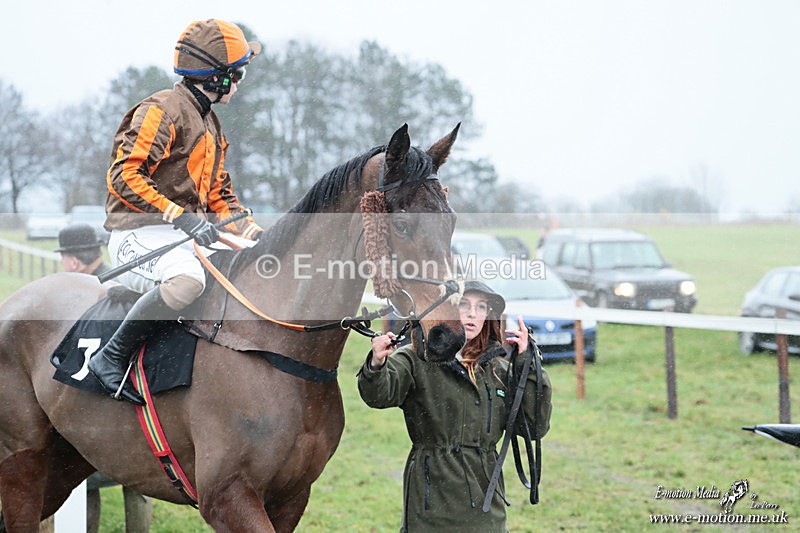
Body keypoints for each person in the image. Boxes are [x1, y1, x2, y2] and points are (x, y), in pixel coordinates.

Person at [88, 19, 264, 405]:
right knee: (188, 282)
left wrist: (258, 237)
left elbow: (221, 199)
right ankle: (111, 357)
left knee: (249, 269)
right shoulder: (160, 110)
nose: (240, 82)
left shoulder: (211, 125)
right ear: (216, 79)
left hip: (182, 235)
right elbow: (123, 175)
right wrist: (178, 215)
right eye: (238, 74)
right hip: (135, 234)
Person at [358, 280, 552, 532]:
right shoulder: (418, 359)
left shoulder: (501, 372)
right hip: (431, 500)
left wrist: (530, 367)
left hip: (485, 502)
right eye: (464, 305)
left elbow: (534, 427)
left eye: (481, 307)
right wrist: (376, 364)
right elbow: (378, 395)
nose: (472, 313)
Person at [54, 224, 153, 531]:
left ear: (72, 261)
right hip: (140, 393)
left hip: (97, 399)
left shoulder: (81, 293)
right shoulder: (128, 278)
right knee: (141, 485)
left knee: (86, 480)